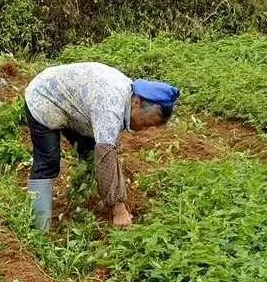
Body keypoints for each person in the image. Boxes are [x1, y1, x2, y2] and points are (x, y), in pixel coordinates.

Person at [24, 62, 180, 230]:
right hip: (44, 97)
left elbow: (106, 155)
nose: (144, 130)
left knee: (91, 156)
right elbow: (106, 157)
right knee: (48, 162)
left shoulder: (126, 97)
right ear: (136, 102)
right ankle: (37, 224)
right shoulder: (111, 107)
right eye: (147, 123)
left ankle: (90, 203)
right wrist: (119, 211)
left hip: (74, 105)